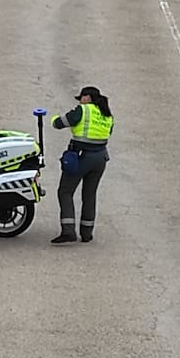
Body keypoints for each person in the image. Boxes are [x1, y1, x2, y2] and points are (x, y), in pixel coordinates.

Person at [50, 85, 114, 244]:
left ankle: (68, 230)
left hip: (81, 157)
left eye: (81, 98)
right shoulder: (107, 115)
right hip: (100, 158)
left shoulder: (82, 110)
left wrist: (53, 119)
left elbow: (60, 123)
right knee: (89, 195)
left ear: (87, 98)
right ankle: (86, 233)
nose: (80, 101)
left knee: (65, 191)